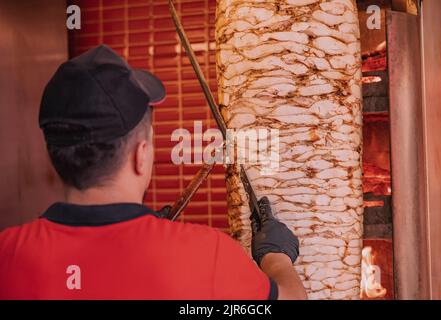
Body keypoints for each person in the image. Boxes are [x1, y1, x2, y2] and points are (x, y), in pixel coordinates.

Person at [0, 45, 306, 300]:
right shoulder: (205, 255)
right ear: (141, 156)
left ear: (53, 156)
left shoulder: (7, 254)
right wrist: (274, 255)